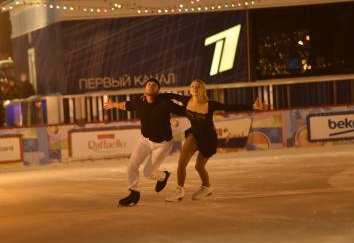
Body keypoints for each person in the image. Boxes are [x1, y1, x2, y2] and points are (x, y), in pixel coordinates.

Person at [166, 79, 266, 202]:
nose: (195, 88)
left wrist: (252, 106)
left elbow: (229, 107)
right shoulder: (186, 101)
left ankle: (206, 187)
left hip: (208, 139)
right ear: (190, 89)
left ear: (203, 89)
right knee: (181, 163)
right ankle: (179, 190)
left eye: (198, 86)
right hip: (194, 136)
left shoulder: (210, 104)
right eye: (193, 86)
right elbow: (169, 96)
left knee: (199, 166)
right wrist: (152, 96)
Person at [104, 78, 185, 206]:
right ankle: (134, 193)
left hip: (163, 144)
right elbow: (126, 105)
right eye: (148, 84)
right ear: (145, 88)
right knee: (131, 165)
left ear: (158, 89)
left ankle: (163, 176)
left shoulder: (165, 102)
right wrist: (113, 104)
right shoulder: (139, 102)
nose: (151, 86)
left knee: (148, 173)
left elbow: (184, 111)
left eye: (154, 85)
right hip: (145, 140)